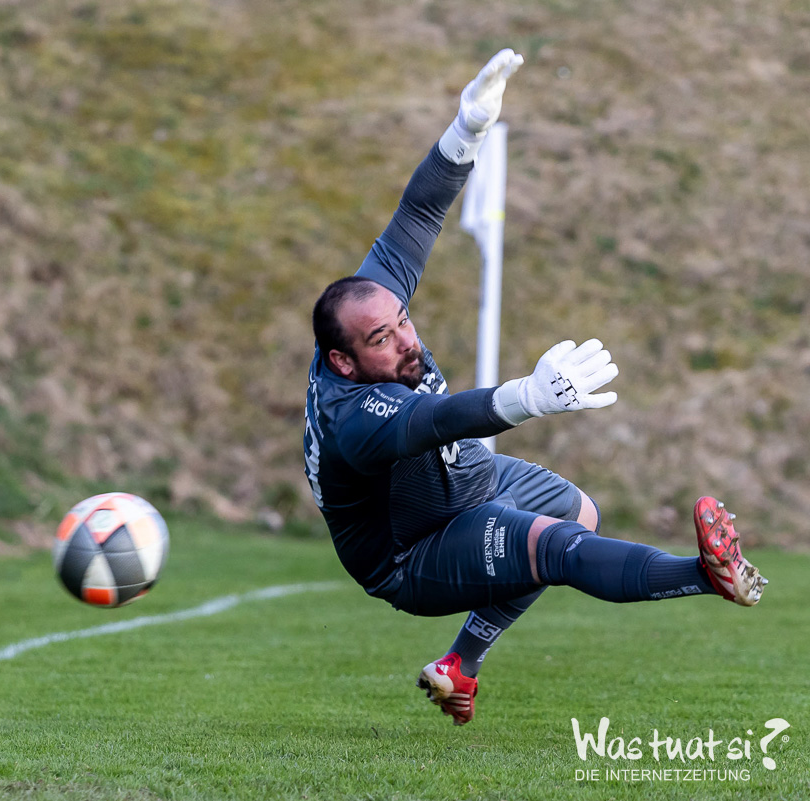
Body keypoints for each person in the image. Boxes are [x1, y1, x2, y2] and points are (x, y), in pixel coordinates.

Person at [302, 50, 767, 726]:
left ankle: (459, 665)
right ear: (342, 362)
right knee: (555, 550)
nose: (405, 340)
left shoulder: (365, 308)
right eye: (382, 339)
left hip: (459, 481)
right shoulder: (352, 417)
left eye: (403, 320)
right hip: (414, 550)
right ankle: (706, 575)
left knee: (579, 513)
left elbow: (419, 213)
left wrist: (466, 129)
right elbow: (432, 421)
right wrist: (527, 397)